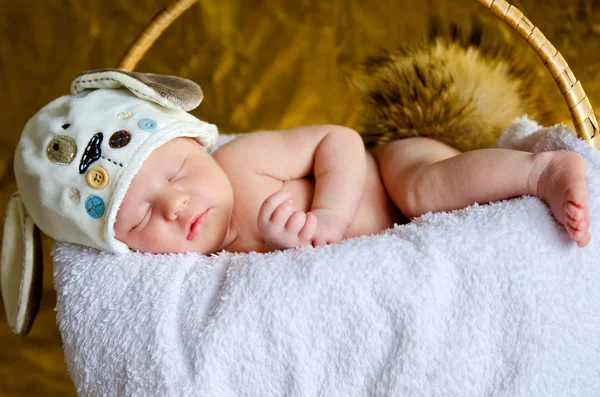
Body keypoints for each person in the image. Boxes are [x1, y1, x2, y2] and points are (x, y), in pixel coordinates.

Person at [115, 124, 590, 254]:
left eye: (178, 172)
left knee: (425, 190)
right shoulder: (203, 270)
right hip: (399, 241)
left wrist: (330, 214)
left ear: (199, 144)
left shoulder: (239, 163)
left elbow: (336, 140)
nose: (174, 205)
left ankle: (540, 172)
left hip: (388, 172)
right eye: (138, 220)